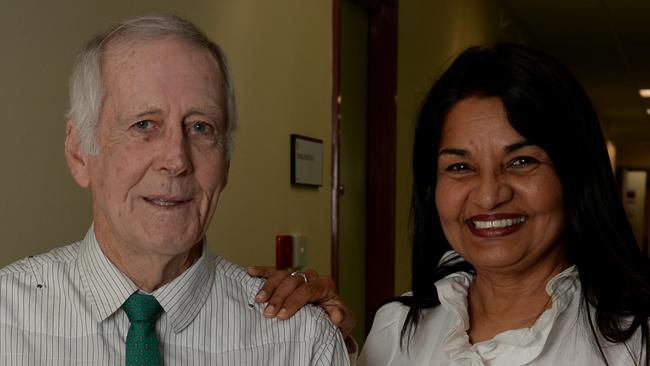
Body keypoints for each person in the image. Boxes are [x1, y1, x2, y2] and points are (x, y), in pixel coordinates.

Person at [252, 44, 650, 365]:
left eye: (521, 161)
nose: (490, 195)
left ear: (573, 173)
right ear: (432, 187)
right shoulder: (397, 329)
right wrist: (316, 340)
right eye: (460, 166)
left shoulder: (635, 342)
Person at [0, 14, 348, 366]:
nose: (176, 160)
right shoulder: (5, 322)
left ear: (226, 161)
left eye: (200, 127)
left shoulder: (300, 343)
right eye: (144, 124)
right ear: (78, 153)